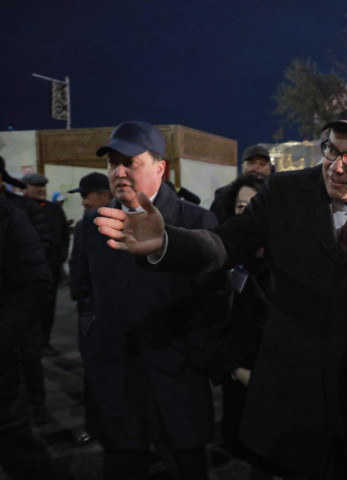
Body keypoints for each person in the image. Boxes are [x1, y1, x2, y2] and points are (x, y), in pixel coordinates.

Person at [94, 105, 347, 479]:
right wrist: (167, 242)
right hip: (290, 391)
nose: (335, 166)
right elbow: (225, 244)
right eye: (331, 150)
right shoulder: (285, 191)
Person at [73, 120, 219, 480]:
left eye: (130, 163)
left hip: (177, 380)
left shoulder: (194, 220)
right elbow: (83, 292)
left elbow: (215, 297)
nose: (119, 172)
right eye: (113, 163)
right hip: (116, 380)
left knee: (185, 466)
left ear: (160, 167)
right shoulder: (92, 225)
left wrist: (193, 354)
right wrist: (95, 342)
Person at [206, 174, 275, 478]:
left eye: (256, 205)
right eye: (241, 206)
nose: (247, 213)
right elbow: (211, 321)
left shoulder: (291, 259)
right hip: (238, 379)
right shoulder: (223, 260)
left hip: (278, 385)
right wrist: (234, 370)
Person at [0, 196, 73, 479]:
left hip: (4, 360)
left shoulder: (9, 216)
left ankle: (38, 406)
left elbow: (34, 284)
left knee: (17, 447)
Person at [67, 171, 113, 445]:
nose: (83, 201)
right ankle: (98, 426)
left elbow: (78, 272)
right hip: (95, 310)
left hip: (98, 311)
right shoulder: (87, 224)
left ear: (105, 196)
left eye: (86, 195)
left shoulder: (90, 224)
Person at [22, 172, 70, 357]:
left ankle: (44, 342)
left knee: (48, 308)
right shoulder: (17, 209)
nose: (41, 189)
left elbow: (64, 234)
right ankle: (27, 345)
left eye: (42, 186)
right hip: (27, 271)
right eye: (36, 186)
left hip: (51, 269)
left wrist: (62, 256)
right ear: (25, 188)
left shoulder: (54, 209)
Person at [211, 144, 273, 223]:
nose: (256, 167)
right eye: (251, 163)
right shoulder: (223, 193)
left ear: (270, 169)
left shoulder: (277, 194)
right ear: (242, 166)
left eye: (262, 164)